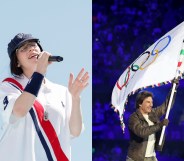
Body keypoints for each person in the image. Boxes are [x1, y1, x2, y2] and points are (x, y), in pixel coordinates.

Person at [0, 33, 89, 161]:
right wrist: (39, 72)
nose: (31, 49)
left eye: (33, 45)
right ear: (17, 62)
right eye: (23, 49)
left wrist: (75, 98)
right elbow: (19, 111)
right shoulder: (9, 87)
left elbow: (75, 131)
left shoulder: (61, 91)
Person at [126, 84, 178, 161]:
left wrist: (174, 88)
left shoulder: (153, 113)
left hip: (151, 157)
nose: (151, 105)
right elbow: (141, 132)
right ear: (140, 104)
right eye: (148, 102)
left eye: (151, 102)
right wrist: (159, 125)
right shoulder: (133, 118)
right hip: (136, 158)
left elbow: (167, 105)